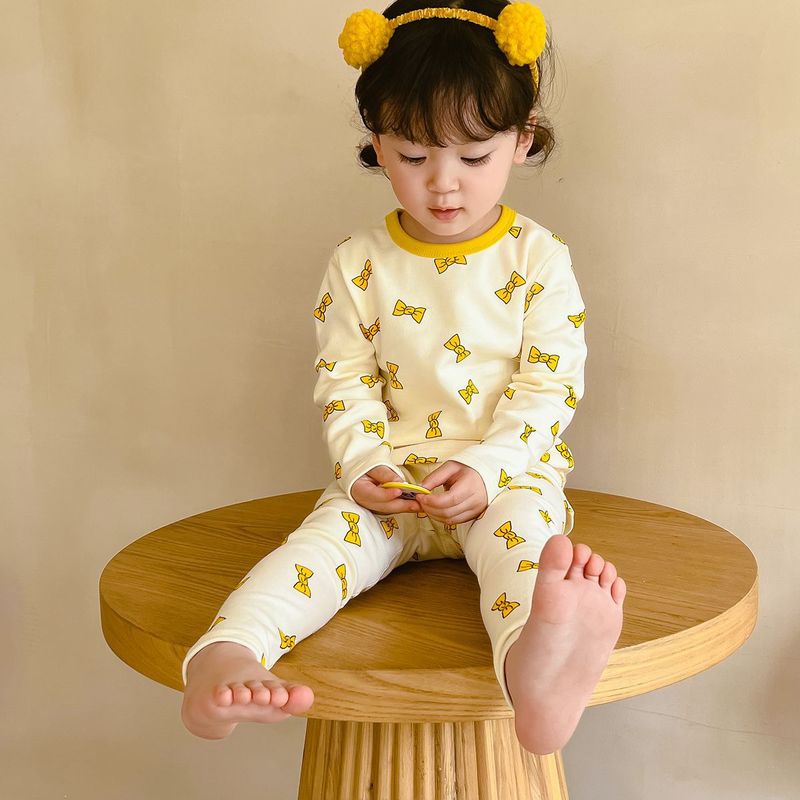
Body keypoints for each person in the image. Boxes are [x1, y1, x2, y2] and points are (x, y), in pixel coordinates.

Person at [180, 0, 626, 755]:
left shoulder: (538, 259)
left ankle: (537, 668)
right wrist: (363, 468)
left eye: (473, 158)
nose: (443, 185)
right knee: (315, 551)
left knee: (526, 553)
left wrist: (487, 471)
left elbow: (548, 390)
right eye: (414, 157)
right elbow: (343, 380)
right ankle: (224, 658)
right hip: (390, 485)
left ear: (522, 139)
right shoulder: (358, 261)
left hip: (506, 482)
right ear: (377, 142)